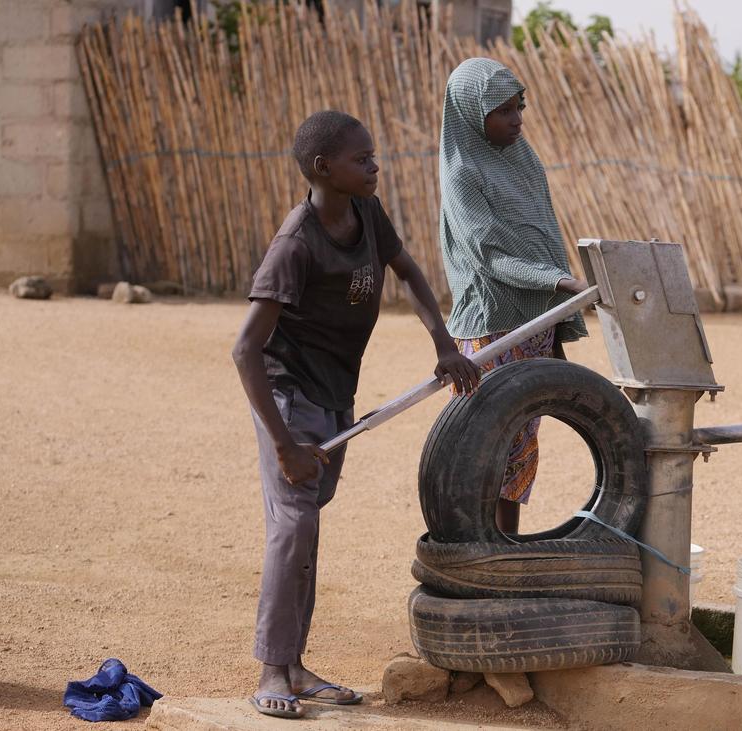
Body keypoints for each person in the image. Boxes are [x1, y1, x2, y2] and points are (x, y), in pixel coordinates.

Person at [232, 110, 479, 719]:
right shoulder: (295, 244)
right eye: (362, 159)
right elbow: (245, 350)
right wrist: (285, 442)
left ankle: (293, 666)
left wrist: (443, 343)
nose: (375, 166)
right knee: (294, 526)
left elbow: (409, 272)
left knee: (308, 525)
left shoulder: (366, 213)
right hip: (289, 400)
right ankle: (272, 668)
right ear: (323, 168)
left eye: (372, 157)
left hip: (335, 398)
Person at [437, 57, 589, 534]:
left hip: (536, 324)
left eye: (518, 106)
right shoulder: (462, 173)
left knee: (522, 441)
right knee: (486, 440)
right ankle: (474, 546)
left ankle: (508, 546)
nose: (516, 119)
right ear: (469, 113)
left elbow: (545, 237)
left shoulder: (525, 161)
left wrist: (558, 321)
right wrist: (563, 285)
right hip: (492, 329)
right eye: (502, 110)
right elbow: (490, 257)